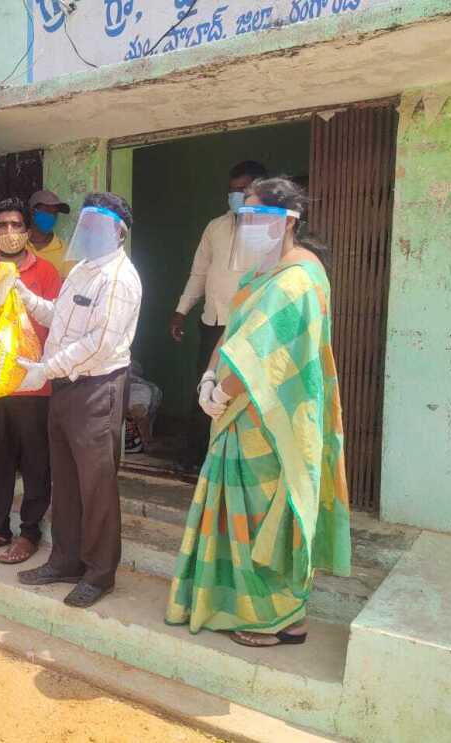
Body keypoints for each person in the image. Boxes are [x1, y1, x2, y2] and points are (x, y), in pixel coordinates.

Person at [165, 178, 351, 646]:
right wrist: (209, 378)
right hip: (239, 416)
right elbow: (232, 336)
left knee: (268, 519)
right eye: (244, 216)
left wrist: (221, 392)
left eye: (257, 216)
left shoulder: (297, 280)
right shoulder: (260, 274)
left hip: (274, 423)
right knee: (241, 519)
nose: (248, 225)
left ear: (288, 221)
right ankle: (247, 609)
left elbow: (262, 357)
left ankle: (280, 617)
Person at [13, 192, 142, 609]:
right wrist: (25, 296)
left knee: (97, 485)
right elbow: (60, 316)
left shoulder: (119, 279)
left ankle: (100, 573)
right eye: (85, 223)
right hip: (66, 388)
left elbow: (99, 345)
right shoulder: (84, 269)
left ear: (117, 232)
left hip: (96, 390)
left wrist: (45, 369)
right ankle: (65, 560)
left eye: (95, 225)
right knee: (65, 480)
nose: (86, 231)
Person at [0, 198, 62, 565]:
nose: (9, 232)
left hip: (35, 381)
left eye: (15, 225)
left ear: (26, 231)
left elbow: (56, 321)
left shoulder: (46, 271)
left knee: (37, 460)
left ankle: (30, 532)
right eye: (2, 226)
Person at [170, 161, 269, 470]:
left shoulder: (267, 229)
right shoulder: (216, 227)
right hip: (213, 322)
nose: (236, 196)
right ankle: (195, 460)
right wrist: (180, 311)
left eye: (243, 190)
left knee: (238, 395)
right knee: (206, 389)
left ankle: (231, 464)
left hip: (247, 326)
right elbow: (199, 272)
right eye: (232, 190)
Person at [27, 189, 74, 277]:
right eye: (47, 211)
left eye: (55, 212)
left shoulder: (66, 253)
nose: (51, 216)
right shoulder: (15, 245)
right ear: (32, 211)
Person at [125, 361, 162, 455]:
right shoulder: (144, 388)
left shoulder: (138, 389)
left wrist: (147, 442)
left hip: (131, 446)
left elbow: (139, 411)